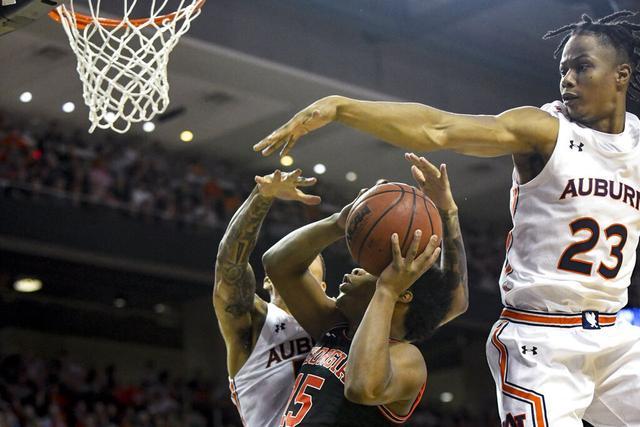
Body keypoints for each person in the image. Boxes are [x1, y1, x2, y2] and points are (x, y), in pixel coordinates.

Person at [254, 11, 640, 427]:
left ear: (621, 75)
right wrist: (342, 108)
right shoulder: (545, 129)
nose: (567, 79)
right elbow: (438, 129)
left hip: (613, 334)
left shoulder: (635, 142)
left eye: (582, 67)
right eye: (563, 69)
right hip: (540, 339)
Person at [262, 155, 468, 426]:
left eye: (373, 269)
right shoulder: (335, 326)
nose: (356, 270)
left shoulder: (407, 358)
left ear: (403, 292)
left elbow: (362, 388)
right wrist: (339, 222)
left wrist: (386, 290)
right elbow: (276, 263)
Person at [213, 169, 327, 427]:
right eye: (289, 264)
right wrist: (262, 196)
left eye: (305, 265)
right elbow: (229, 264)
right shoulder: (254, 319)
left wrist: (442, 211)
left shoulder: (341, 323)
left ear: (323, 286)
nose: (295, 268)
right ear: (267, 280)